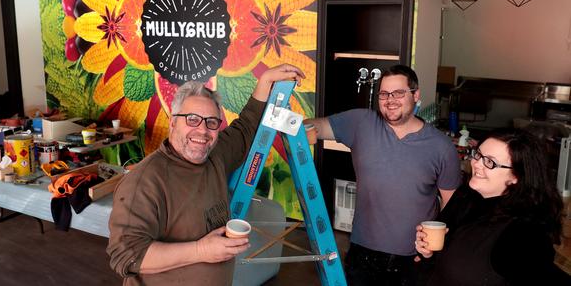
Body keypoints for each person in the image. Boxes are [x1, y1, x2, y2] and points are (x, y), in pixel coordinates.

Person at [107, 64, 305, 286]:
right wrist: (200, 251)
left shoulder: (215, 156)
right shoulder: (143, 182)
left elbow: (245, 128)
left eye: (211, 122)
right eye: (192, 119)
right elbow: (127, 256)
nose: (202, 131)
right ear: (173, 123)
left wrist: (264, 81)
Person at [307, 64, 461, 286]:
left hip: (413, 258)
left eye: (399, 93)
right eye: (384, 94)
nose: (390, 100)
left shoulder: (441, 146)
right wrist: (301, 127)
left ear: (415, 95)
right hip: (362, 252)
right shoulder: (361, 123)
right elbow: (318, 126)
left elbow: (452, 205)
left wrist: (434, 251)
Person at [414, 128, 569, 286]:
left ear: (516, 176)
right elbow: (439, 258)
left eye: (490, 162)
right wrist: (427, 252)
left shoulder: (524, 233)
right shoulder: (466, 195)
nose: (476, 164)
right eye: (478, 154)